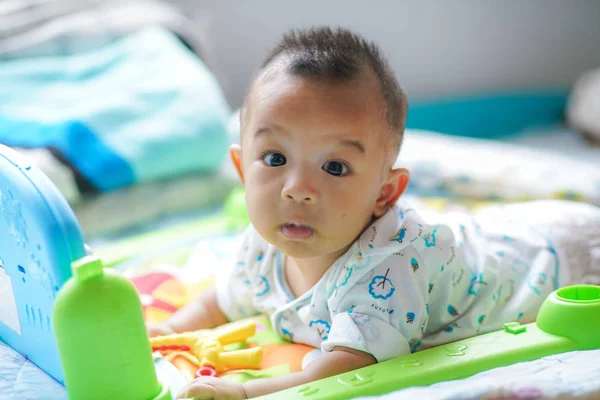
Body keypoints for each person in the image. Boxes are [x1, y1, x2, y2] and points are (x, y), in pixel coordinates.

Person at [147, 26, 600, 399]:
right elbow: (224, 298)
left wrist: (244, 393)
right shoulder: (264, 239)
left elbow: (344, 372)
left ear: (386, 193)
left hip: (563, 252)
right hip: (487, 237)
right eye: (275, 159)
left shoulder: (386, 272)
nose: (298, 190)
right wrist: (168, 330)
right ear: (241, 170)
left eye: (335, 167)